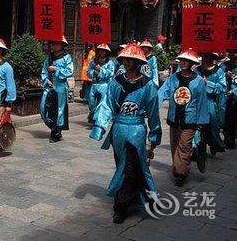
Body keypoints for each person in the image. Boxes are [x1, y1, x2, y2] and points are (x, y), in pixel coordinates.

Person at [89, 43, 162, 224]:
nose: (128, 62)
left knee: (129, 167)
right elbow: (106, 105)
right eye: (125, 59)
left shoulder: (148, 85)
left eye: (132, 59)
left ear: (138, 62)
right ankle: (141, 197)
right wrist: (100, 127)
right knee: (123, 165)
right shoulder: (116, 82)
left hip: (137, 130)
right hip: (118, 131)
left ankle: (120, 207)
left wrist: (154, 135)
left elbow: (153, 112)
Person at [158, 49, 209, 186]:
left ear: (192, 63)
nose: (183, 63)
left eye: (186, 61)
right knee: (175, 145)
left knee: (184, 146)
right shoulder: (173, 78)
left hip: (190, 119)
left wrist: (201, 122)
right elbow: (163, 92)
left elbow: (202, 102)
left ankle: (181, 173)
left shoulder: (198, 81)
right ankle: (178, 168)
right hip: (174, 118)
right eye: (181, 60)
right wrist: (153, 103)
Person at [40, 36, 74, 143]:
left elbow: (69, 71)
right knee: (44, 108)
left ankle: (56, 132)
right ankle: (53, 127)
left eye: (57, 43)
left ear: (62, 45)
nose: (54, 45)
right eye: (53, 43)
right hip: (49, 87)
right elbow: (44, 71)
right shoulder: (49, 58)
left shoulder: (67, 57)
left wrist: (56, 69)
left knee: (59, 110)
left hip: (60, 87)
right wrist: (46, 80)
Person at [196, 53, 226, 155]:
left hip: (210, 100)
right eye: (203, 56)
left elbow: (222, 87)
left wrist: (208, 83)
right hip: (197, 100)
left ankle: (215, 143)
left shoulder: (219, 71)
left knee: (213, 121)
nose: (205, 58)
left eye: (207, 56)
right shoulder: (197, 70)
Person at [87, 44, 114, 123]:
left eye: (104, 51)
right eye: (100, 50)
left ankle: (98, 119)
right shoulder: (93, 61)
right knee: (92, 102)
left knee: (102, 103)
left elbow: (111, 73)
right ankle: (93, 116)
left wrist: (100, 70)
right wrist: (94, 72)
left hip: (104, 85)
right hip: (94, 84)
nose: (102, 52)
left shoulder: (110, 62)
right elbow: (88, 72)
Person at [222, 50, 237, 149]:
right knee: (226, 120)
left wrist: (234, 91)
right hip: (224, 97)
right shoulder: (224, 65)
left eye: (234, 52)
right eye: (229, 52)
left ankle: (231, 139)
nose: (231, 54)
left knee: (233, 120)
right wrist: (225, 75)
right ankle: (227, 139)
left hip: (235, 98)